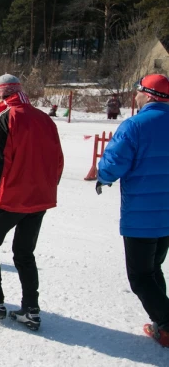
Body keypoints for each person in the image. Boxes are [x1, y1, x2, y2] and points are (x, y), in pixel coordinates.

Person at [0, 74, 64, 330]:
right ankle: (31, 310)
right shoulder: (45, 118)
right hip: (40, 199)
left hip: (10, 198)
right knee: (24, 253)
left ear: (0, 94)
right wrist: (47, 188)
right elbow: (58, 161)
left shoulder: (4, 118)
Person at [96, 74, 169, 347]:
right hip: (166, 217)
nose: (134, 97)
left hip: (142, 217)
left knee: (140, 277)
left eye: (137, 92)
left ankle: (168, 323)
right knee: (153, 270)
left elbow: (112, 165)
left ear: (148, 95)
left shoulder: (135, 126)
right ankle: (161, 324)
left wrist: (103, 176)